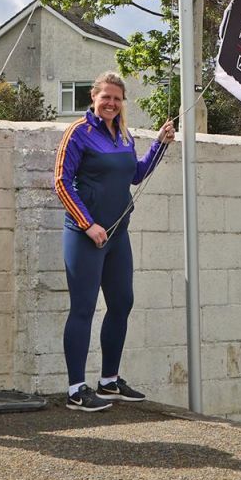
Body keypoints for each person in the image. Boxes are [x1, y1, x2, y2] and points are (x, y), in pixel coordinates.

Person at [53, 73, 175, 411]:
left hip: (118, 235)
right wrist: (88, 224)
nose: (110, 103)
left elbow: (135, 174)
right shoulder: (78, 132)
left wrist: (160, 145)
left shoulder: (123, 135)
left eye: (117, 98)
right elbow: (62, 183)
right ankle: (76, 389)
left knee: (122, 303)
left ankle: (108, 382)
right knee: (83, 308)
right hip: (86, 235)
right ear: (93, 96)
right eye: (105, 97)